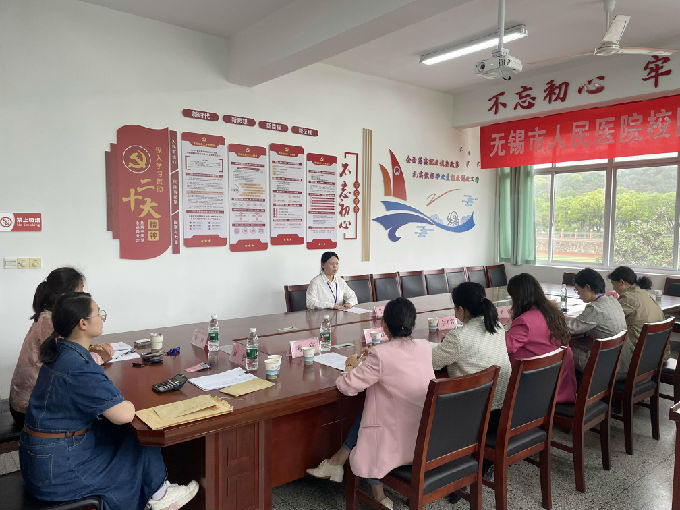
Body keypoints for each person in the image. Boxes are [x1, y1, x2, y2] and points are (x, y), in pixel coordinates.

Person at [19, 292, 198, 510]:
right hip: (60, 471)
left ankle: (160, 491)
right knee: (137, 433)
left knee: (122, 432)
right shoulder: (77, 365)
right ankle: (161, 496)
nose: (102, 317)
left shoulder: (60, 351)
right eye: (98, 313)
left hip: (42, 458)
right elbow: (124, 414)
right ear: (83, 323)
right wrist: (127, 402)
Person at [305, 297, 434, 510]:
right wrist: (373, 358)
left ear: (384, 326)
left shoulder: (380, 355)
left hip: (393, 444)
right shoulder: (424, 347)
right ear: (413, 327)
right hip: (424, 438)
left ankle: (377, 494)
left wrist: (350, 367)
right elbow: (398, 360)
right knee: (373, 405)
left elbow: (347, 387)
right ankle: (338, 463)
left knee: (370, 412)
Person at [9, 267, 113, 427]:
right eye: (80, 291)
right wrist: (100, 357)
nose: (83, 297)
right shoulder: (51, 322)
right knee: (100, 413)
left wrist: (91, 349)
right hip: (31, 409)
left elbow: (68, 351)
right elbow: (70, 363)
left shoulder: (48, 315)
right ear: (65, 296)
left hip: (30, 401)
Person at [432, 281, 510, 412]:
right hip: (502, 405)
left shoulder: (458, 337)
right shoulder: (497, 326)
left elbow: (432, 361)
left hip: (473, 412)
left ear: (461, 310)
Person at [505, 273, 577, 403]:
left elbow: (505, 347)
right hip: (560, 384)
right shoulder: (553, 312)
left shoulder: (525, 321)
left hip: (538, 391)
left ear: (518, 298)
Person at [607, 266, 666, 379]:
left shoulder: (628, 297)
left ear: (622, 282)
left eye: (614, 284)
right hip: (658, 353)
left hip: (639, 355)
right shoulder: (644, 293)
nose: (614, 288)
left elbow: (609, 318)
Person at [568, 268, 627, 372]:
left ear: (587, 287)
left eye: (577, 290)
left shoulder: (595, 308)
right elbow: (582, 322)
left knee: (564, 352)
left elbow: (569, 329)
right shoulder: (612, 300)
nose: (578, 294)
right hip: (620, 360)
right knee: (579, 344)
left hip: (603, 365)